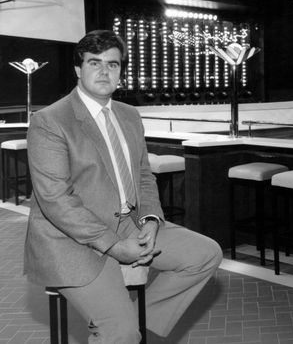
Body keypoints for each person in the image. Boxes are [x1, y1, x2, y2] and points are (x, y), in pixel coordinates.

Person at [24, 29, 223, 343]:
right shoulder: (50, 120)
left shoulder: (129, 115)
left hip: (129, 223)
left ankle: (138, 327)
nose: (104, 71)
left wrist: (151, 220)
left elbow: (143, 175)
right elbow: (55, 199)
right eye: (94, 63)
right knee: (120, 332)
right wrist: (114, 246)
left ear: (121, 72)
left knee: (205, 254)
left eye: (112, 64)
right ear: (78, 69)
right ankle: (123, 329)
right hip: (72, 239)